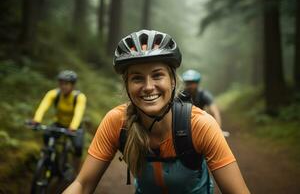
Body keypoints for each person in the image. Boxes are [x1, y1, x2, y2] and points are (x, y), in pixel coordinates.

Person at [63, 30, 249, 194]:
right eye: (137, 78)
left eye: (157, 75)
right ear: (127, 86)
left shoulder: (199, 125)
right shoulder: (117, 122)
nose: (148, 87)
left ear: (173, 81)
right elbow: (82, 184)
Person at [32, 70, 87, 157]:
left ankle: (77, 169)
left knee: (78, 147)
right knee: (46, 135)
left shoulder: (79, 97)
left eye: (66, 84)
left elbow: (78, 113)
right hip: (59, 124)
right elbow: (42, 107)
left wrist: (73, 127)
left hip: (74, 127)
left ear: (72, 86)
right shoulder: (53, 93)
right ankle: (50, 156)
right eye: (61, 83)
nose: (63, 86)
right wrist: (36, 120)